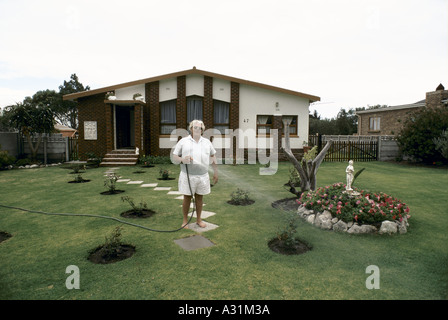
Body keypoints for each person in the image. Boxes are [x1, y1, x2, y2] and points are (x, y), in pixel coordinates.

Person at [172, 120, 218, 228]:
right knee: (187, 198)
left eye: (200, 128)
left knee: (199, 198)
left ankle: (198, 219)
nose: (198, 130)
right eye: (195, 127)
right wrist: (183, 159)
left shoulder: (207, 142)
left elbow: (213, 157)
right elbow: (174, 157)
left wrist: (216, 172)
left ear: (203, 130)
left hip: (203, 176)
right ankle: (184, 220)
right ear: (191, 128)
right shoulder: (183, 141)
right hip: (188, 175)